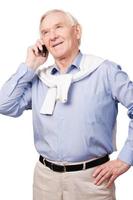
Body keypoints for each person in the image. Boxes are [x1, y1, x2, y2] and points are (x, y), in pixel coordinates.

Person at [0, 9, 132, 200]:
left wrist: (126, 159)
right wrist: (30, 65)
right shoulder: (40, 79)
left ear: (76, 32)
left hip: (92, 180)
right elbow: (5, 105)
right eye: (45, 32)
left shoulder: (105, 72)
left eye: (58, 27)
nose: (52, 36)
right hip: (45, 180)